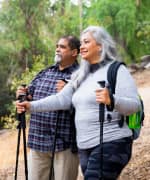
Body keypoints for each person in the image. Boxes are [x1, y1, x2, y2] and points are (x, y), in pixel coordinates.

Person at [16, 26, 141, 180]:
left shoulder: (116, 69)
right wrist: (31, 106)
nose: (82, 46)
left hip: (112, 142)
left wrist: (113, 100)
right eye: (81, 43)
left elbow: (135, 105)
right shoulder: (80, 75)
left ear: (101, 45)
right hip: (85, 147)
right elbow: (61, 99)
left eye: (86, 42)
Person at [16, 35, 80, 180]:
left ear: (74, 52)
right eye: (57, 46)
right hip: (38, 141)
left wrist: (73, 91)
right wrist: (22, 94)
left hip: (64, 144)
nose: (57, 49)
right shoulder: (45, 72)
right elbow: (29, 95)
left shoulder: (81, 76)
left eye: (62, 47)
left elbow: (88, 107)